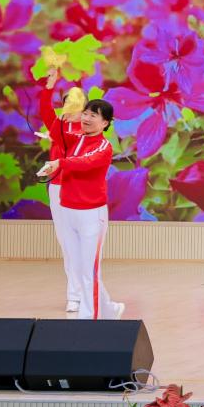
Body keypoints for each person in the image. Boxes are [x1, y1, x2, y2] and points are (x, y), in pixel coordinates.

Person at [37, 99, 125, 320]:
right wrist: (53, 98)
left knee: (89, 271)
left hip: (90, 214)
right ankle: (110, 309)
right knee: (79, 268)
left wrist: (60, 163)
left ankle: (88, 321)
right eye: (85, 113)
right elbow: (52, 126)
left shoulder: (104, 147)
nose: (86, 118)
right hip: (68, 210)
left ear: (105, 123)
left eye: (93, 115)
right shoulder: (74, 139)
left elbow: (86, 162)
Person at [38, 67, 86, 313]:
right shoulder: (58, 126)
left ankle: (87, 291)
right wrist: (50, 85)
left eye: (76, 103)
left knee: (83, 242)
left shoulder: (89, 131)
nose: (70, 107)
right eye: (67, 102)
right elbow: (45, 110)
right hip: (58, 189)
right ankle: (74, 294)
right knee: (66, 242)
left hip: (82, 192)